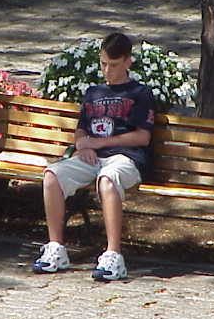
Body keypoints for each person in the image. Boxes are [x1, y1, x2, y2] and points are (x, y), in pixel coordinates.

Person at [33, 32, 154, 281]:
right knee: (52, 175)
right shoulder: (93, 92)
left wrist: (98, 143)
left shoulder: (140, 93)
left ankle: (113, 256)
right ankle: (55, 248)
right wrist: (83, 144)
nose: (107, 71)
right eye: (103, 64)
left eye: (114, 65)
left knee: (107, 179)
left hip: (126, 158)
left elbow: (143, 137)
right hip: (91, 158)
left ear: (128, 61)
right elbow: (81, 129)